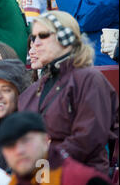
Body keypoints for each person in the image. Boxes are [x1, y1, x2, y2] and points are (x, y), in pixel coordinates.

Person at [18, 11, 119, 175]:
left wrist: (43, 160)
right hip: (42, 178)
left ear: (65, 39)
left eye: (43, 35)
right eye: (33, 37)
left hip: (79, 179)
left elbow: (88, 139)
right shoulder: (33, 90)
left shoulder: (89, 80)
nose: (35, 43)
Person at [0, 111, 117, 185]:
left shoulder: (85, 182)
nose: (19, 151)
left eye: (26, 141)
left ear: (45, 140)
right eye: (10, 145)